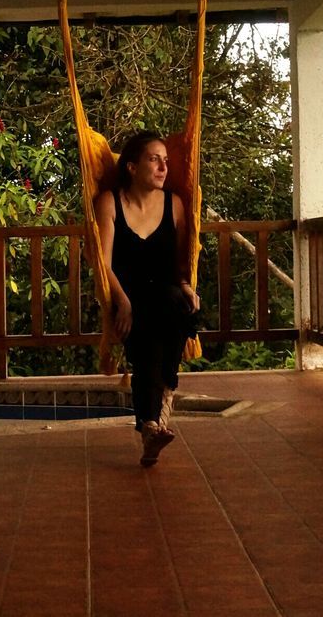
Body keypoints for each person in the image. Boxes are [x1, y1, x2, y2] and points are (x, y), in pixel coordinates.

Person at [94, 131, 201, 467]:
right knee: (147, 340)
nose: (163, 166)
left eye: (166, 160)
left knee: (176, 310)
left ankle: (149, 426)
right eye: (154, 159)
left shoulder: (176, 205)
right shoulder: (109, 203)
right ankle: (160, 408)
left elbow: (182, 262)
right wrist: (122, 301)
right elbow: (102, 263)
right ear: (131, 166)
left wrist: (186, 284)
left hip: (167, 296)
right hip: (128, 296)